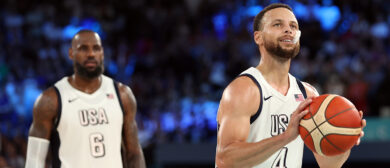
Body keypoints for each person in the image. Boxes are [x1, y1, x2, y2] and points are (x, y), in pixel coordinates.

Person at [215, 3, 366, 168]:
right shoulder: (244, 89)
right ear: (258, 37)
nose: (288, 30)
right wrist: (285, 137)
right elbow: (225, 160)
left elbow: (328, 164)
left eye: (293, 26)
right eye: (277, 24)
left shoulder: (307, 93)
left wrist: (345, 139)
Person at [25, 30, 146, 168]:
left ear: (102, 53)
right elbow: (34, 161)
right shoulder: (50, 100)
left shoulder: (123, 95)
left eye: (96, 48)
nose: (91, 54)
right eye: (83, 49)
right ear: (71, 53)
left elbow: (134, 153)